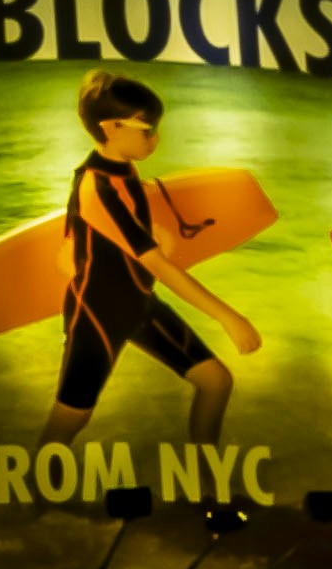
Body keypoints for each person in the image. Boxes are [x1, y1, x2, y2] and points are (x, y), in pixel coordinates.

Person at [52, 70, 259, 446]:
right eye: (147, 129)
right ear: (112, 127)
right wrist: (228, 317)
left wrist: (154, 227)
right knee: (70, 420)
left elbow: (113, 234)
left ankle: (205, 479)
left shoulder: (125, 170)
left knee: (216, 383)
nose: (155, 138)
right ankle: (36, 486)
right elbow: (157, 265)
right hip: (97, 315)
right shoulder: (95, 187)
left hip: (139, 303)